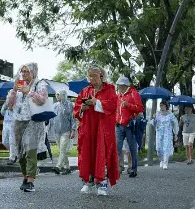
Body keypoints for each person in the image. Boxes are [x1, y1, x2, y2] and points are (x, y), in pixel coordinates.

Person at [4, 62, 52, 193]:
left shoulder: (39, 84)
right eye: (22, 71)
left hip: (33, 121)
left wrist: (29, 92)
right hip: (18, 121)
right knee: (20, 152)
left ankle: (31, 180)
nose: (24, 74)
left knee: (30, 150)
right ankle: (25, 177)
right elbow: (8, 104)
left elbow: (42, 100)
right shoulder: (18, 85)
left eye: (27, 71)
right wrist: (13, 90)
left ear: (33, 72)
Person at [74, 65, 119, 195]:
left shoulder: (110, 89)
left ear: (101, 75)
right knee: (87, 153)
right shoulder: (85, 91)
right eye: (90, 76)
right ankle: (87, 181)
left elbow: (112, 105)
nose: (92, 78)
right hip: (88, 127)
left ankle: (102, 184)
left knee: (102, 153)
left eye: (94, 75)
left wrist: (96, 103)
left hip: (103, 128)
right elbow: (76, 108)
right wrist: (82, 108)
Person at [114, 75, 145, 177]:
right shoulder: (119, 95)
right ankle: (118, 168)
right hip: (118, 125)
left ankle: (133, 168)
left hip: (130, 125)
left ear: (124, 85)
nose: (117, 86)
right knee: (117, 147)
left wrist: (128, 105)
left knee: (132, 148)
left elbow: (140, 108)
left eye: (118, 84)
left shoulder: (133, 93)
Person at [51, 91, 76, 175]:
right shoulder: (55, 106)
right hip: (56, 130)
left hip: (66, 130)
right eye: (56, 95)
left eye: (59, 94)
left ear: (63, 95)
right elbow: (52, 118)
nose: (57, 96)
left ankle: (58, 166)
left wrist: (73, 130)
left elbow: (73, 118)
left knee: (62, 149)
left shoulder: (70, 105)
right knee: (62, 150)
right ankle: (67, 168)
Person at [151, 101, 179, 169]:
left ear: (166, 106)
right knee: (159, 149)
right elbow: (153, 123)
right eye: (160, 105)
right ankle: (162, 160)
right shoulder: (157, 114)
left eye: (163, 105)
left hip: (167, 133)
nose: (161, 107)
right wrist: (153, 118)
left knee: (166, 148)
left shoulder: (170, 115)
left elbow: (175, 124)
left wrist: (175, 134)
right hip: (159, 134)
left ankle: (165, 163)